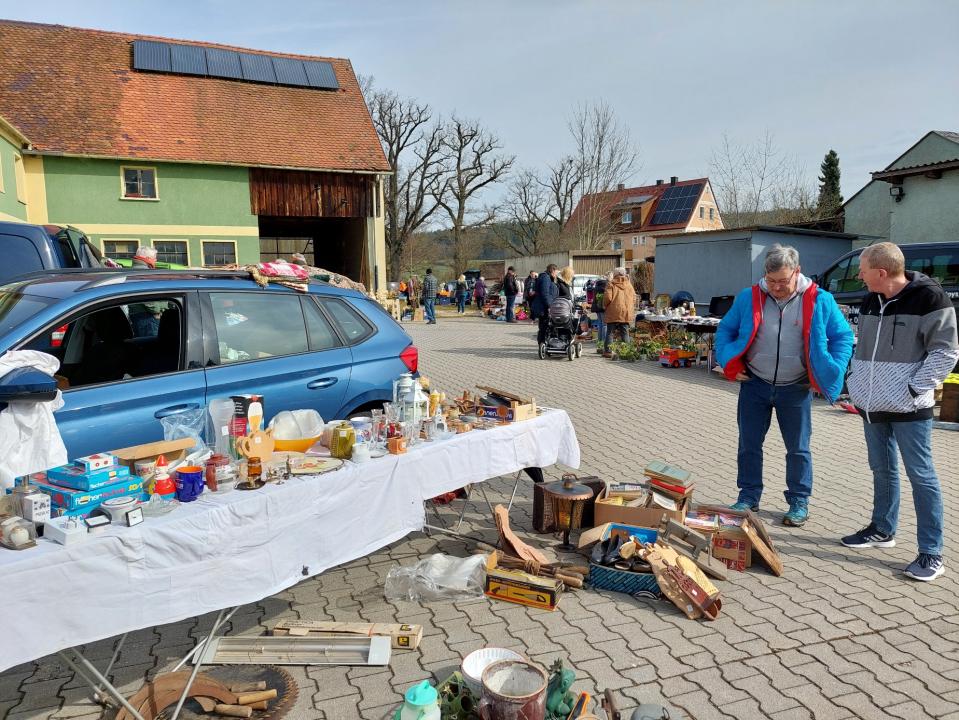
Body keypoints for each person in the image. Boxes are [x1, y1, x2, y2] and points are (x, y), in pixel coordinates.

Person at [841, 242, 959, 581]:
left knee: (922, 477)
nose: (859, 276)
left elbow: (946, 353)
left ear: (881, 272)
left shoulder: (931, 299)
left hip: (910, 407)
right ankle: (882, 530)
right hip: (872, 405)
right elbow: (861, 346)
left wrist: (911, 388)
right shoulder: (869, 299)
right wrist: (856, 381)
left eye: (862, 270)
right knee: (882, 469)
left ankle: (932, 553)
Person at [715, 244, 854, 527]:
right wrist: (730, 361)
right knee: (749, 444)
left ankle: (799, 501)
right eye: (772, 281)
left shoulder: (819, 299)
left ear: (797, 272)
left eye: (784, 281)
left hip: (796, 387)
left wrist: (832, 369)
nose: (777, 287)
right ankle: (748, 497)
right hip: (755, 383)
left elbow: (842, 337)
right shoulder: (748, 297)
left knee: (798, 448)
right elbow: (726, 330)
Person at [603, 267, 635, 351]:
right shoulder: (629, 284)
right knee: (625, 332)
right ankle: (627, 351)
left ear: (616, 274)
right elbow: (634, 298)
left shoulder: (611, 284)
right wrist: (630, 306)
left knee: (610, 332)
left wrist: (604, 306)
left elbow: (607, 298)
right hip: (626, 311)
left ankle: (608, 351)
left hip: (613, 310)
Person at [531, 264, 559, 346]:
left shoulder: (546, 277)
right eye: (556, 272)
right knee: (543, 327)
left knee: (544, 327)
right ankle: (542, 344)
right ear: (552, 270)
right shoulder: (546, 278)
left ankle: (543, 344)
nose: (556, 274)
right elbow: (545, 294)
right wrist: (549, 306)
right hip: (543, 307)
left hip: (543, 306)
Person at [591, 276, 608, 351]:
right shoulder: (605, 287)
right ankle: (604, 341)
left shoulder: (596, 287)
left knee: (600, 324)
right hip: (603, 308)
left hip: (597, 308)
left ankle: (600, 341)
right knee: (604, 325)